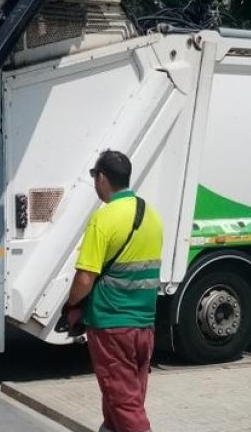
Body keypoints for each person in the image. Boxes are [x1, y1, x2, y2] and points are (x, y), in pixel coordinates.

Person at [63, 150, 163, 432]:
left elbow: (85, 278)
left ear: (103, 178)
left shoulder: (104, 219)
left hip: (112, 325)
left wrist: (71, 306)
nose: (95, 182)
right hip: (144, 325)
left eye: (95, 176)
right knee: (122, 399)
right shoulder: (151, 216)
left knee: (125, 406)